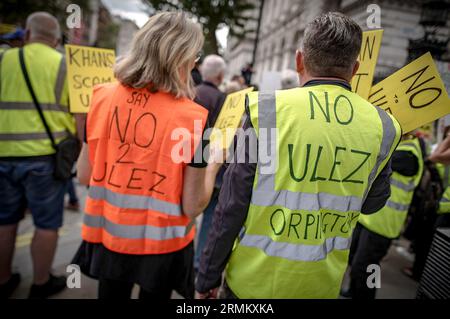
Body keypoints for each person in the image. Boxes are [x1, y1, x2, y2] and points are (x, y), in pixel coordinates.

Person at [195, 12, 402, 299]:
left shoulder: (265, 110)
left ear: (299, 60)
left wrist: (207, 275)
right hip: (321, 285)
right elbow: (372, 205)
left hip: (252, 284)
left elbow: (232, 205)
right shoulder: (385, 126)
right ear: (355, 69)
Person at [72, 12, 222, 300]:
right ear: (182, 57)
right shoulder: (197, 119)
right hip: (162, 247)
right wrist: (213, 164)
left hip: (108, 237)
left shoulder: (100, 97)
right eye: (195, 54)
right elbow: (193, 207)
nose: (196, 62)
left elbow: (83, 175)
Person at [0, 12, 78, 299]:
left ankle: (4, 279)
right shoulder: (65, 67)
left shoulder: (3, 59)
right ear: (56, 40)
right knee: (47, 224)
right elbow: (79, 115)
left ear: (26, 34)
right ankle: (41, 283)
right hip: (47, 158)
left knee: (5, 221)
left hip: (3, 154)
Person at [345, 135, 423, 299]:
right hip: (367, 218)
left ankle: (367, 295)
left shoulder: (410, 152)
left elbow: (379, 156)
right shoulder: (397, 144)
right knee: (354, 259)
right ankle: (353, 290)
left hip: (382, 225)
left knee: (369, 266)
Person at [193, 55, 227, 271]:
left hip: (186, 158)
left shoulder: (191, 92)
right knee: (209, 213)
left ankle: (185, 253)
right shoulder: (223, 99)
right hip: (210, 164)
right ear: (220, 76)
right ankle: (198, 262)